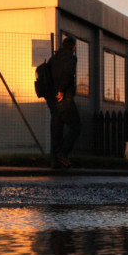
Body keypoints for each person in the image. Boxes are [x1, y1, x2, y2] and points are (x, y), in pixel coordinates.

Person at [47, 37, 81, 169]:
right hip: (63, 98)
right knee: (76, 126)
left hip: (51, 99)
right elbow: (68, 73)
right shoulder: (71, 58)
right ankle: (62, 153)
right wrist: (61, 90)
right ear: (73, 47)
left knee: (56, 129)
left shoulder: (53, 59)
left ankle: (54, 161)